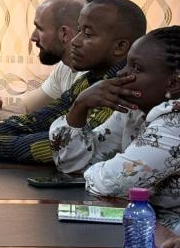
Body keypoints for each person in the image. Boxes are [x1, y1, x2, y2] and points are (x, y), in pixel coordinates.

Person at [0, 0, 147, 163]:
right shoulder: (91, 79)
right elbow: (41, 120)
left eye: (87, 34)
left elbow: (65, 147)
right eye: (78, 31)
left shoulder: (124, 90)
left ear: (120, 46)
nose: (75, 41)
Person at [49, 26, 180, 230]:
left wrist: (109, 169)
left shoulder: (174, 124)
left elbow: (109, 184)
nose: (121, 73)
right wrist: (80, 106)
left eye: (136, 68)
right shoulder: (134, 111)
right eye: (127, 63)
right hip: (149, 231)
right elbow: (72, 164)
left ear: (173, 83)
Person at [0, 0, 92, 123]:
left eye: (40, 29)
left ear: (64, 34)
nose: (33, 37)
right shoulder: (64, 68)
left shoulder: (90, 76)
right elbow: (26, 108)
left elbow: (58, 130)